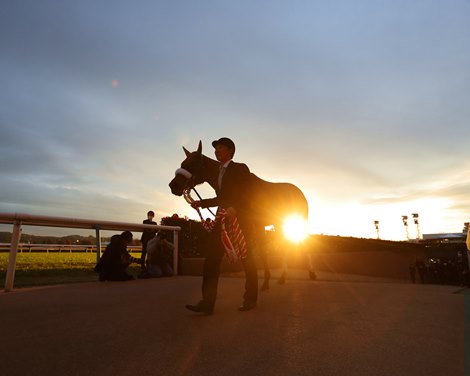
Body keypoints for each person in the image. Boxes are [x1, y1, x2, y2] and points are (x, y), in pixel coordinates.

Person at [185, 137, 258, 314]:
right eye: (216, 148)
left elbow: (248, 194)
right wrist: (201, 204)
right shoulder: (219, 172)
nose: (217, 151)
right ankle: (207, 303)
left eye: (221, 147)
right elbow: (221, 199)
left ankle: (250, 298)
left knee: (247, 259)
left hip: (240, 221)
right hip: (222, 220)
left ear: (230, 151)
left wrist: (236, 208)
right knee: (211, 259)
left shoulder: (240, 168)